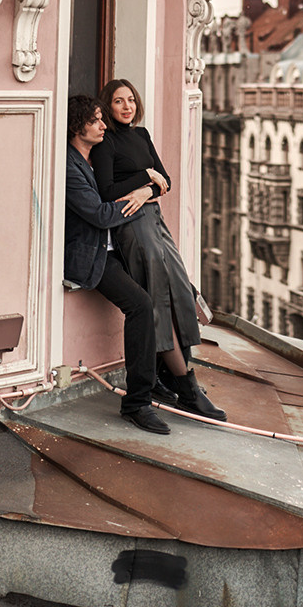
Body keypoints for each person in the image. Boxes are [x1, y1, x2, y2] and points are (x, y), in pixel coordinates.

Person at [91, 78, 226, 420]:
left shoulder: (141, 135)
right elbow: (107, 191)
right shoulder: (105, 142)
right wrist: (145, 180)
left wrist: (146, 188)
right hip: (132, 226)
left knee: (180, 290)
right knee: (157, 298)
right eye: (119, 101)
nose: (127, 106)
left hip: (154, 218)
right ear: (108, 106)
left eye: (131, 100)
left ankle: (168, 375)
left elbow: (164, 180)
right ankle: (186, 385)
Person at [64, 94, 170, 435]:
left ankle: (163, 378)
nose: (102, 125)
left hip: (114, 248)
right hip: (95, 255)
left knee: (164, 285)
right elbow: (99, 213)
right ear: (78, 127)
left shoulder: (93, 158)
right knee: (140, 305)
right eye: (95, 120)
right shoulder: (69, 166)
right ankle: (137, 403)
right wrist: (142, 195)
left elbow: (111, 194)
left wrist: (143, 184)